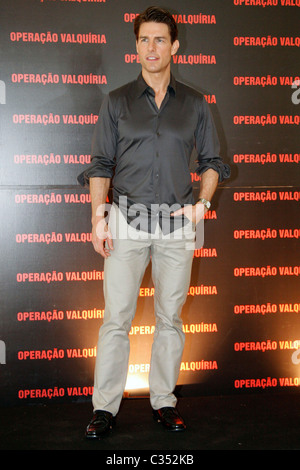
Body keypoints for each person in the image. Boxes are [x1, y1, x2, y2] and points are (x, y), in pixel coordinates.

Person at [78, 6, 230, 439]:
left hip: (179, 224)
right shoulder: (116, 101)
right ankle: (104, 408)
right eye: (144, 39)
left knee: (170, 318)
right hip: (125, 220)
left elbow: (213, 162)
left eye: (160, 39)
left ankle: (164, 401)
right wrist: (98, 217)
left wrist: (202, 205)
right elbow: (101, 164)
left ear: (174, 46)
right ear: (136, 47)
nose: (151, 47)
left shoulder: (197, 104)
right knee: (116, 318)